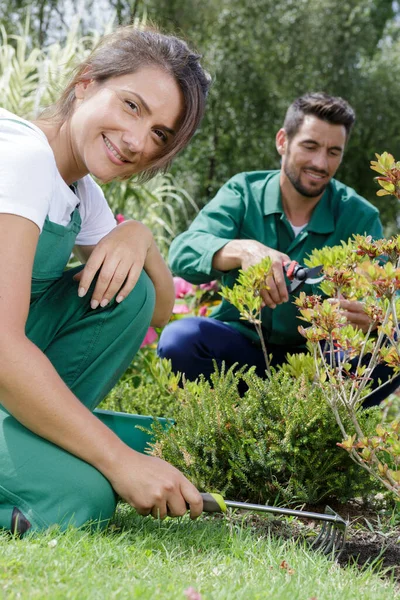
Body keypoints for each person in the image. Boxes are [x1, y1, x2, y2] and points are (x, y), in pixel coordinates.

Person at [0, 25, 211, 535]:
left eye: (160, 133)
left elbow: (156, 310)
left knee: (129, 289)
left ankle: (46, 443)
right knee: (83, 495)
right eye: (132, 106)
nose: (138, 141)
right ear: (86, 83)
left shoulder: (78, 189)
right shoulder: (23, 158)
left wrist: (139, 236)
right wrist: (119, 462)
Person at [158, 92, 399, 405]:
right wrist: (243, 251)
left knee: (391, 355)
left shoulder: (359, 215)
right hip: (239, 351)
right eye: (310, 146)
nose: (320, 163)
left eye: (333, 152)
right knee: (181, 340)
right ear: (283, 141)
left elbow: (388, 293)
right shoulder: (243, 191)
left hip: (317, 368)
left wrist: (376, 316)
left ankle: (322, 443)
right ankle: (226, 430)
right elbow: (182, 252)